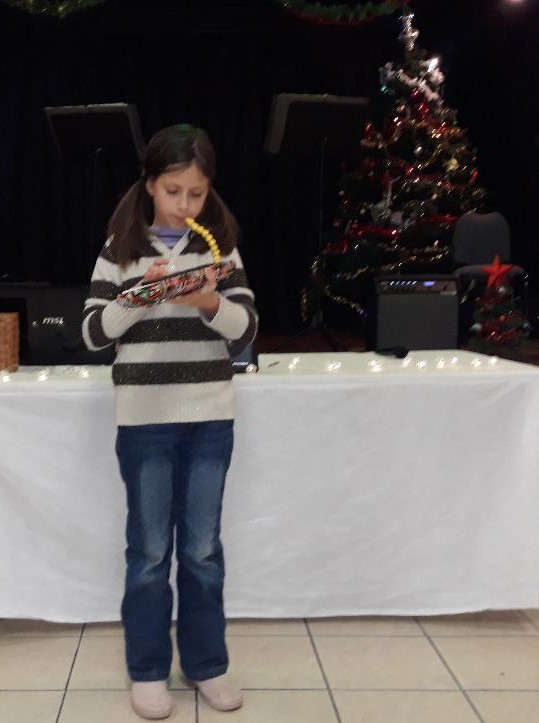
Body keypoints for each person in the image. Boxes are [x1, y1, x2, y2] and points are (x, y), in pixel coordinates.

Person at [82, 124, 257, 720]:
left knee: (203, 550)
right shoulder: (120, 247)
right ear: (150, 184)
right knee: (151, 551)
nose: (185, 205)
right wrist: (138, 297)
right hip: (144, 420)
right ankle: (148, 669)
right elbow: (91, 333)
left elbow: (246, 328)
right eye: (173, 191)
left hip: (210, 416)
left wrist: (208, 302)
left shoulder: (220, 247)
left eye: (196, 194)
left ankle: (206, 665)